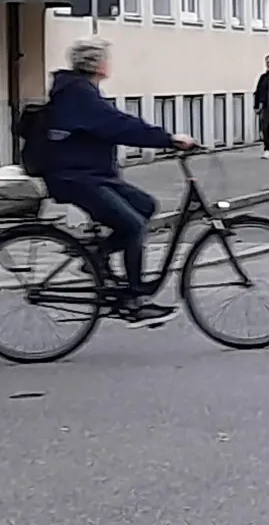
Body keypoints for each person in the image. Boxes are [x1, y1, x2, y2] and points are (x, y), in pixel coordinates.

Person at [42, 38, 196, 327]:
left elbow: (114, 122)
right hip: (75, 178)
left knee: (145, 206)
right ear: (97, 64)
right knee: (133, 225)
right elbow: (117, 125)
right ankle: (136, 300)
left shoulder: (82, 91)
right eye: (106, 58)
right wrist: (168, 139)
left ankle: (96, 255)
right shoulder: (78, 94)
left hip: (90, 175)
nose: (109, 63)